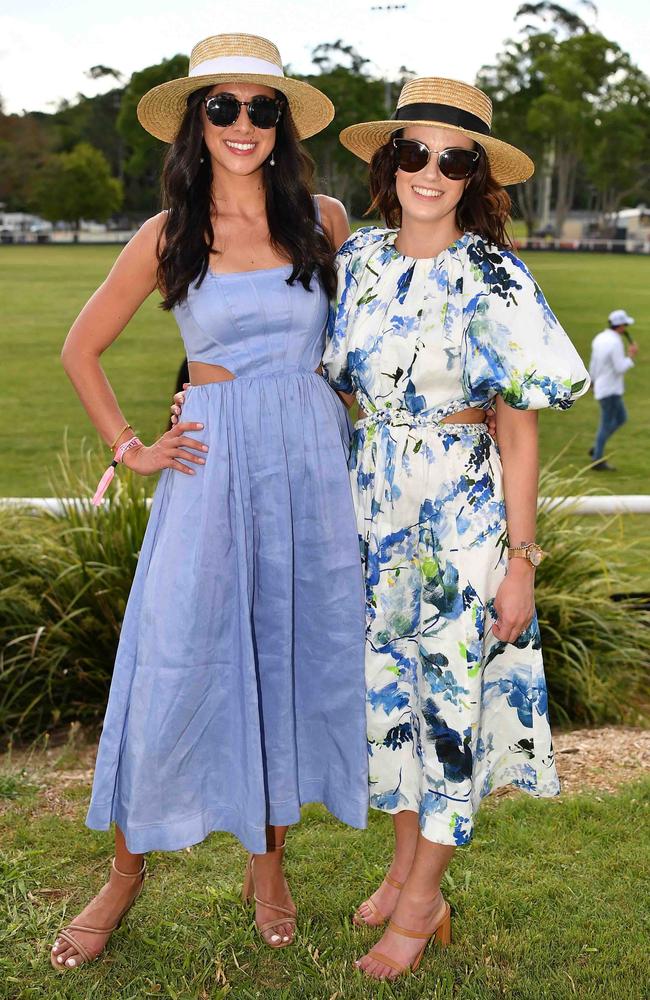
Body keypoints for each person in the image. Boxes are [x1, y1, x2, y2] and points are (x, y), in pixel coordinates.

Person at [51, 32, 369, 972]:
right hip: (211, 464)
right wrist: (133, 448)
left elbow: (348, 357)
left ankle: (267, 868)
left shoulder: (325, 218)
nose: (242, 123)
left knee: (280, 654)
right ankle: (124, 871)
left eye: (260, 107)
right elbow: (79, 349)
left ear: (282, 125)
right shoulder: (167, 234)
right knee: (176, 658)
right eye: (222, 106)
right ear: (198, 121)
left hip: (311, 465)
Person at [322, 76, 590, 980]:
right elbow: (332, 382)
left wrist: (521, 560)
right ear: (387, 162)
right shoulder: (356, 261)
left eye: (452, 157)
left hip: (460, 517)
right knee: (389, 701)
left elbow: (519, 429)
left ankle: (424, 899)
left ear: (474, 175)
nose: (429, 172)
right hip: (373, 511)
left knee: (447, 703)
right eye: (413, 151)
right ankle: (402, 874)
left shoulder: (496, 276)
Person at [588, 309, 638, 471]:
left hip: (602, 387)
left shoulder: (599, 338)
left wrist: (592, 381)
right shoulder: (616, 342)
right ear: (620, 326)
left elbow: (593, 363)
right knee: (608, 423)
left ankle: (598, 447)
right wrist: (630, 356)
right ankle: (597, 458)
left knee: (620, 418)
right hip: (611, 389)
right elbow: (619, 367)